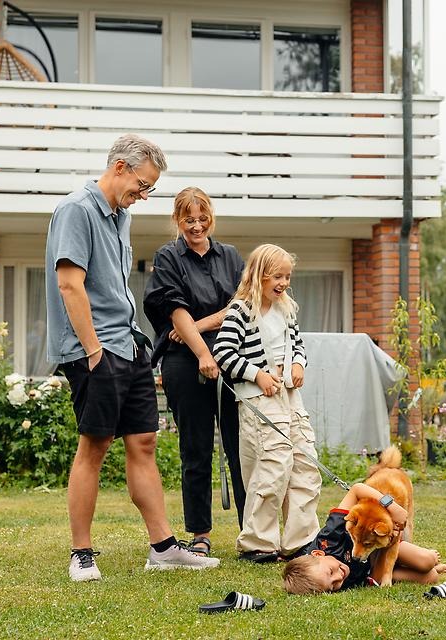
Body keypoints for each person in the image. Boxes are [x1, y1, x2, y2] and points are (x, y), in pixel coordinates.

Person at [46, 134, 219, 582]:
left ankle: (162, 547)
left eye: (149, 189)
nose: (143, 195)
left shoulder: (120, 216)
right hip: (95, 350)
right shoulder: (77, 210)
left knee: (143, 443)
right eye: (142, 185)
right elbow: (70, 285)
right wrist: (92, 351)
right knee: (94, 447)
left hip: (129, 344)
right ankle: (81, 554)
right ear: (120, 167)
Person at [143, 187, 246, 558]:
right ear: (177, 220)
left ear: (211, 218)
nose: (197, 226)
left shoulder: (231, 257)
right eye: (189, 220)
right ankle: (200, 533)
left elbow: (240, 306)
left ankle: (252, 530)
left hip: (232, 357)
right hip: (186, 363)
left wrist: (201, 326)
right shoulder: (168, 257)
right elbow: (174, 310)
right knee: (196, 448)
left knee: (242, 448)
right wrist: (202, 351)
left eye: (203, 219)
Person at [212, 243, 321, 563]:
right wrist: (257, 375)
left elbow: (297, 345)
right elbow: (223, 354)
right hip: (259, 399)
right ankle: (258, 542)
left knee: (305, 462)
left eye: (288, 276)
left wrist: (299, 364)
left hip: (290, 397)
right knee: (272, 466)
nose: (284, 282)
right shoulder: (241, 310)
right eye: (277, 276)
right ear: (259, 275)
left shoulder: (287, 309)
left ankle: (301, 540)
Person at [281, 482, 446, 594]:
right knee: (431, 577)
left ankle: (420, 559)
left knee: (427, 560)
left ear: (319, 554)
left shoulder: (329, 538)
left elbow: (356, 490)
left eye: (330, 571)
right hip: (373, 570)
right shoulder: (334, 583)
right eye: (333, 586)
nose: (339, 577)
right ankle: (417, 569)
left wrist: (392, 507)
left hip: (378, 544)